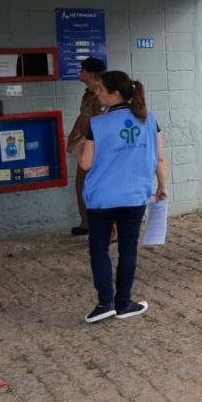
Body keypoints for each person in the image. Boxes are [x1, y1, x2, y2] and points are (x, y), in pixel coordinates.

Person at [79, 71, 168, 323]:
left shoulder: (97, 124)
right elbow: (160, 158)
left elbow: (85, 164)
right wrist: (163, 186)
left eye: (100, 89)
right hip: (134, 196)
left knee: (99, 250)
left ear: (115, 94)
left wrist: (78, 147)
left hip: (101, 198)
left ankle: (104, 304)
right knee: (128, 249)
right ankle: (124, 303)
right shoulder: (149, 120)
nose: (96, 93)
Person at [67, 57, 107, 236]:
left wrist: (80, 139)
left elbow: (101, 124)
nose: (79, 73)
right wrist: (73, 135)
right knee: (81, 184)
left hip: (98, 147)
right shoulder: (88, 93)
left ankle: (110, 229)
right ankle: (86, 223)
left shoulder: (102, 94)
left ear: (90, 74)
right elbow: (83, 116)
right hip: (86, 145)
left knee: (99, 186)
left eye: (82, 70)